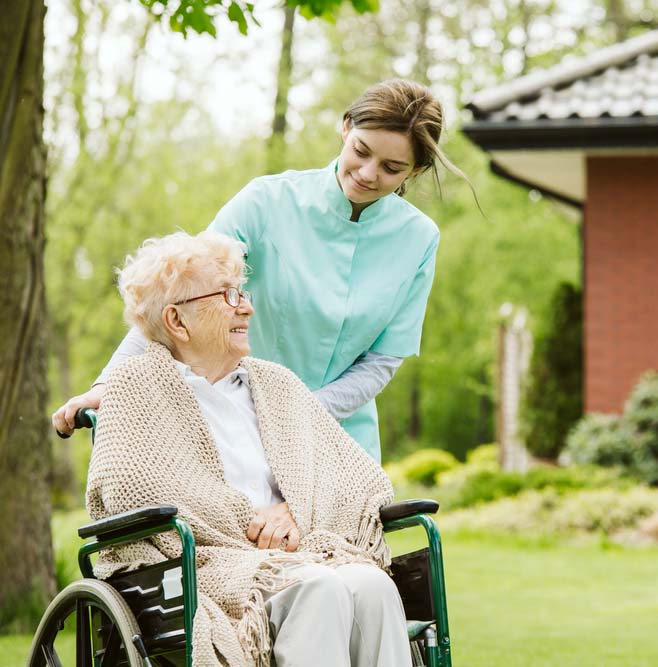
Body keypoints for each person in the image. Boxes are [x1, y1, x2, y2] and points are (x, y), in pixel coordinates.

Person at [54, 78, 458, 460]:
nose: (368, 174)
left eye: (391, 168)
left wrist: (302, 415)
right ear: (346, 127)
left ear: (415, 171)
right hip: (238, 428)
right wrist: (108, 384)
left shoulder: (419, 239)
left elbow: (382, 361)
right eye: (361, 151)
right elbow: (176, 299)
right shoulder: (267, 202)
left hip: (343, 440)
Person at [87, 231, 411, 667]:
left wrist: (295, 509)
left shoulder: (277, 384)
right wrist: (247, 523)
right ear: (177, 321)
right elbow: (129, 488)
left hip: (301, 550)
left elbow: (359, 477)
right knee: (318, 588)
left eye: (242, 292)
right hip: (206, 566)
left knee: (372, 587)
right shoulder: (136, 385)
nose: (247, 306)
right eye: (228, 295)